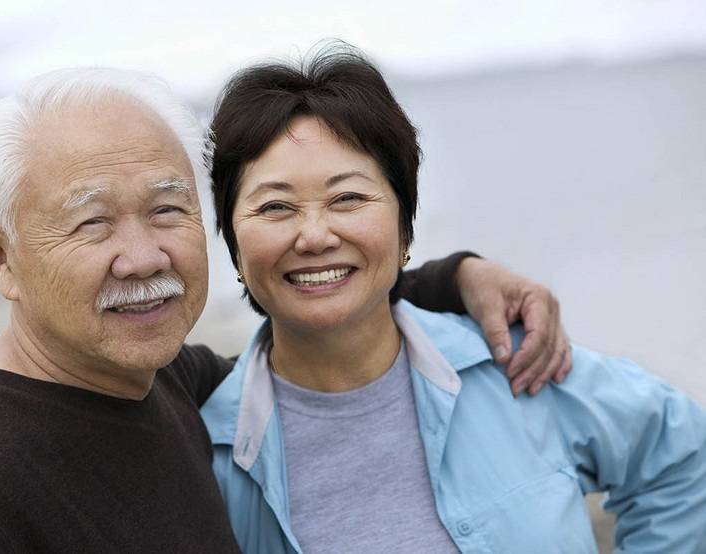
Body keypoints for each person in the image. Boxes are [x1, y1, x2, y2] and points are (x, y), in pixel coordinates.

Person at [0, 67, 571, 553]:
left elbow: (310, 338)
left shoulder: (164, 380)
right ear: (1, 257)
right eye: (92, 224)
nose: (144, 256)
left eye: (167, 209)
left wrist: (457, 279)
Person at [201, 44, 706, 553]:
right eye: (276, 206)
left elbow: (681, 454)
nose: (314, 236)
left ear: (404, 228)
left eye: (348, 198)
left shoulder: (516, 363)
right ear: (233, 243)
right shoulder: (209, 452)